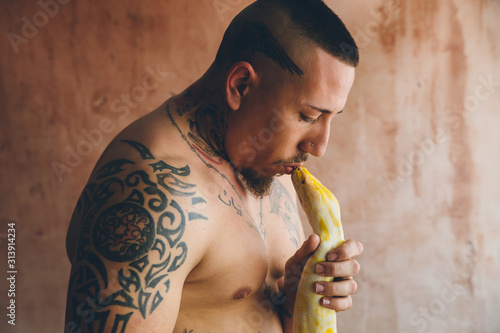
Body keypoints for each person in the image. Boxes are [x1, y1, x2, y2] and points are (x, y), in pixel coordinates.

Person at [64, 0, 363, 332]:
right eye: (307, 116)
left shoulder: (269, 165)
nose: (319, 147)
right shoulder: (152, 194)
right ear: (240, 86)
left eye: (330, 118)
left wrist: (296, 299)